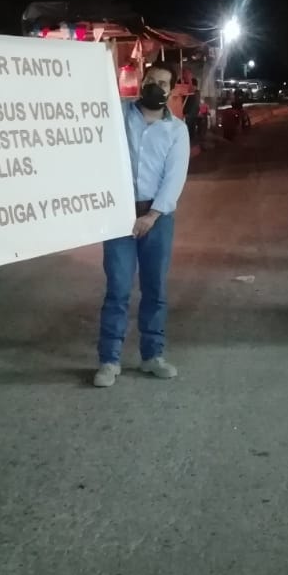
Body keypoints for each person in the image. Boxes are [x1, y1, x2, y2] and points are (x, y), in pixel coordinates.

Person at [95, 64, 191, 387]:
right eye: (151, 80)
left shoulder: (177, 131)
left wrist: (152, 216)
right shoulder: (116, 115)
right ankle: (109, 361)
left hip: (157, 217)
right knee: (118, 288)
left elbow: (174, 178)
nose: (156, 86)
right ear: (141, 82)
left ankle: (152, 356)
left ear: (172, 90)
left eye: (163, 83)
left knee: (154, 289)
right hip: (118, 214)